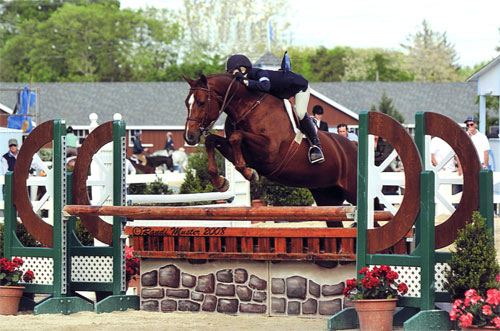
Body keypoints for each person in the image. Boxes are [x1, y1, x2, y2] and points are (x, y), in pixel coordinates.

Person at [226, 54, 324, 164]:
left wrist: (244, 81)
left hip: (299, 87)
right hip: (281, 92)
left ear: (242, 69)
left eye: (233, 72)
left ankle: (316, 145)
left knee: (300, 113)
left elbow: (265, 86)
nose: (232, 76)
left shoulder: (259, 73)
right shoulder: (246, 79)